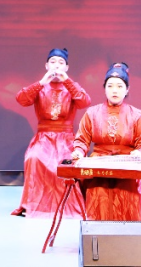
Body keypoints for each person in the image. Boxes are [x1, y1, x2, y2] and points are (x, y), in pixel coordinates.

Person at [12, 47, 91, 218]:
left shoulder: (71, 87)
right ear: (46, 65)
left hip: (66, 139)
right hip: (43, 138)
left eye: (61, 63)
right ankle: (35, 205)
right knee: (33, 158)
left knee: (68, 163)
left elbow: (85, 102)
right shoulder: (40, 87)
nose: (56, 66)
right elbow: (21, 99)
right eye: (53, 62)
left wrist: (67, 81)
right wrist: (41, 82)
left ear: (67, 68)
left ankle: (68, 205)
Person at [71, 62, 141, 220]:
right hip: (99, 164)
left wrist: (139, 153)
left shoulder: (136, 115)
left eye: (120, 86)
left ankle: (127, 231)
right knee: (98, 192)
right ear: (105, 88)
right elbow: (82, 140)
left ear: (127, 89)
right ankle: (97, 231)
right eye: (110, 86)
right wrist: (79, 152)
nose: (115, 90)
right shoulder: (92, 113)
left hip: (126, 165)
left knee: (127, 194)